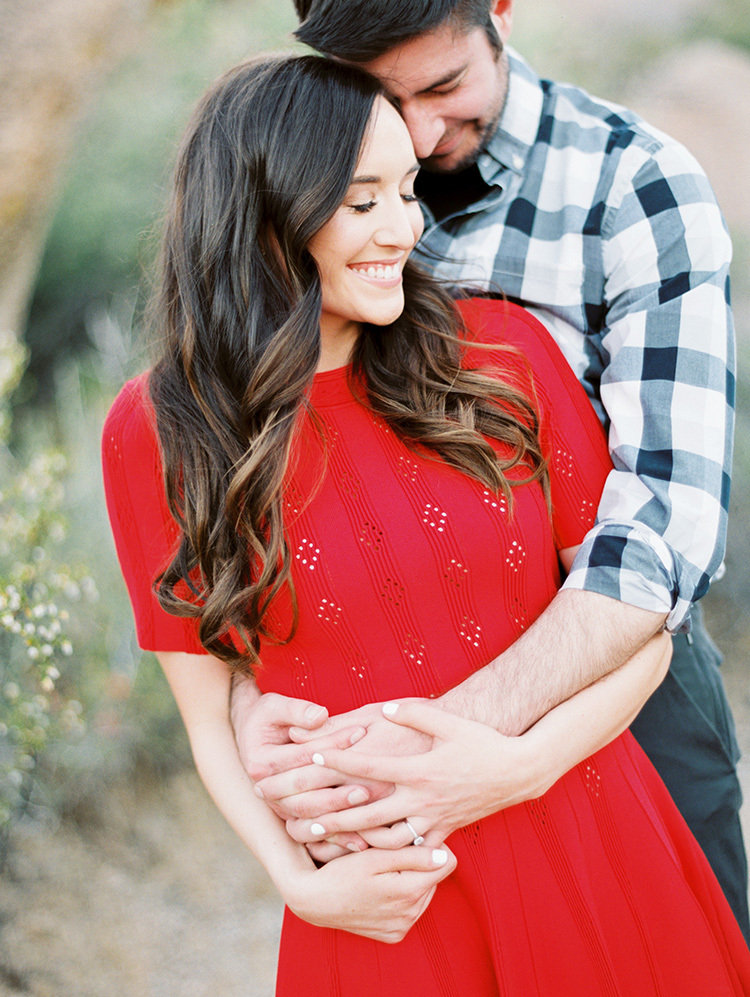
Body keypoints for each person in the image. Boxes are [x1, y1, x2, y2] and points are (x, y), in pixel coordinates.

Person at [101, 53, 750, 994]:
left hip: (591, 839)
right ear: (264, 215)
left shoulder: (501, 353)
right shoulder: (161, 428)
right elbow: (212, 717)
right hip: (386, 905)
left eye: (408, 191)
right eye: (362, 203)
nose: (404, 228)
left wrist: (516, 768)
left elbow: (642, 628)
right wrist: (302, 887)